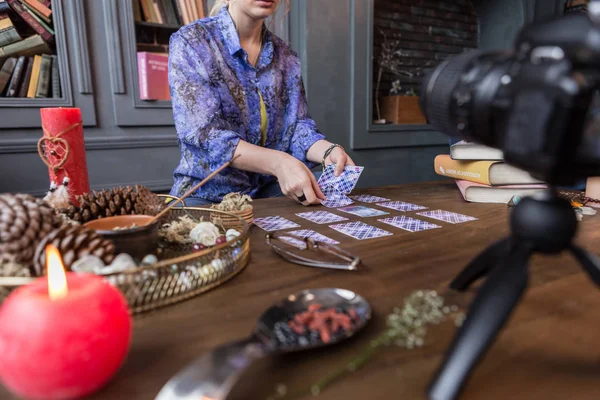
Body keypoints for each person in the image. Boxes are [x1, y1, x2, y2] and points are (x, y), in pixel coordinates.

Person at [168, 0, 355, 207]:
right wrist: (278, 163)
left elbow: (297, 128)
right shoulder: (192, 42)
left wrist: (328, 151)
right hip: (206, 195)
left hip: (267, 192)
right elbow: (206, 135)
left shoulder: (286, 57)